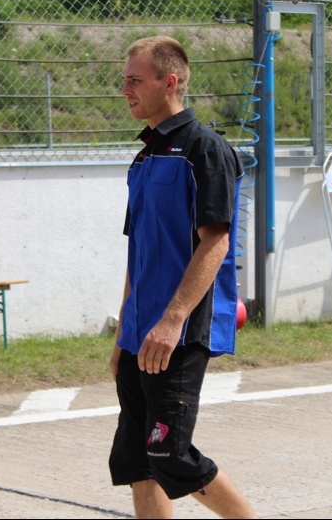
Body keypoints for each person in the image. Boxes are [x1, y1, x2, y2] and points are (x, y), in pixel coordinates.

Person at [108, 36, 257, 519]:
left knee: (170, 454)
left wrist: (172, 320)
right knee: (138, 458)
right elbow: (138, 252)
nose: (125, 90)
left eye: (135, 80)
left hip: (180, 330)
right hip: (140, 332)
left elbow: (216, 242)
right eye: (124, 80)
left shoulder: (205, 150)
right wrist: (124, 333)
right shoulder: (145, 157)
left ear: (169, 82)